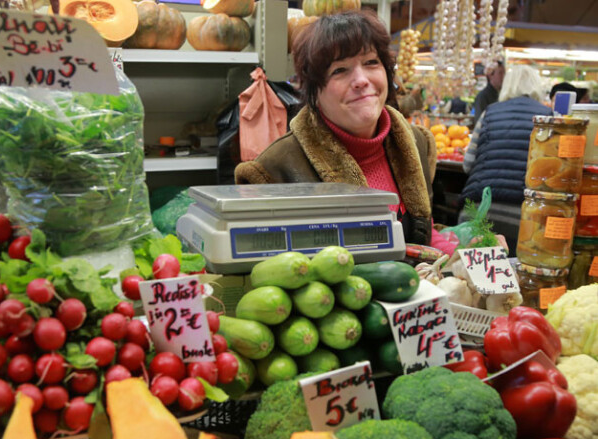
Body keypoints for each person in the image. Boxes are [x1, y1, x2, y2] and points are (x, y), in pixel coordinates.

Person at [234, 10, 455, 255]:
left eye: (371, 62)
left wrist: (460, 251)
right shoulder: (273, 170)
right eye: (339, 70)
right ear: (314, 90)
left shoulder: (416, 144)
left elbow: (423, 231)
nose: (361, 80)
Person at [461, 65, 553, 204]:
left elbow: (467, 164)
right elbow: (551, 171)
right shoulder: (547, 117)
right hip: (525, 207)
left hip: (480, 204)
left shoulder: (489, 112)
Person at [473, 61, 505, 126]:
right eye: (500, 73)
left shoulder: (503, 94)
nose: (503, 76)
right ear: (490, 76)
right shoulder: (482, 96)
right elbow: (479, 122)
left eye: (504, 73)